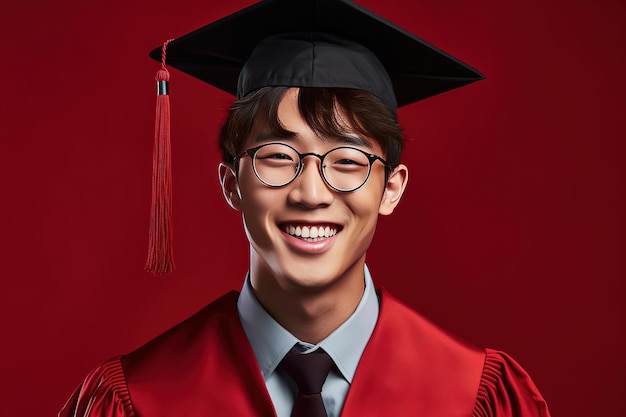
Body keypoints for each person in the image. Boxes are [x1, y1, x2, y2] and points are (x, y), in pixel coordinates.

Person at [59, 0, 551, 416]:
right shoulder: (139, 401)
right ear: (232, 184)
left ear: (392, 189)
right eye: (278, 157)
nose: (311, 194)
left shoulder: (473, 397)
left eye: (347, 159)